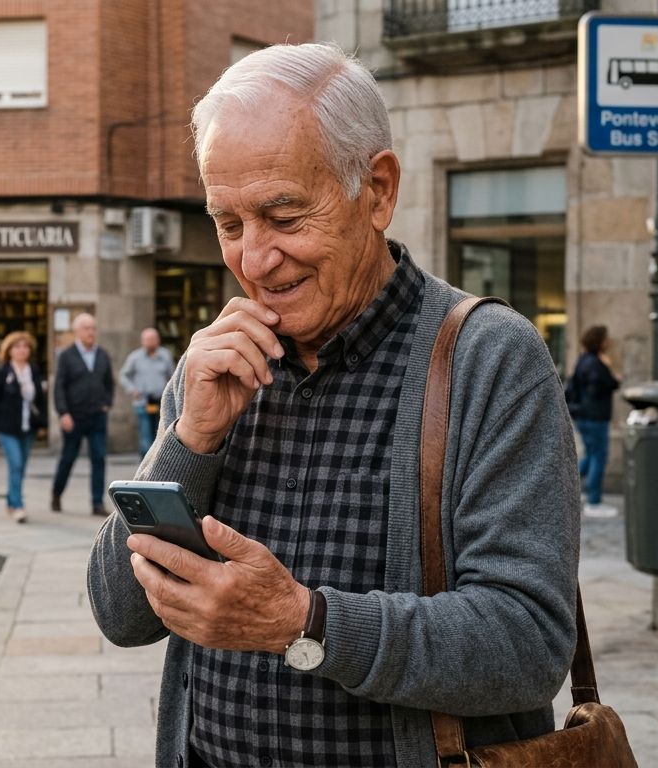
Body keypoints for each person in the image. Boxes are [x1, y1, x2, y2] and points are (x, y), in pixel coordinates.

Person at [86, 44, 581, 768]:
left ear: (377, 191)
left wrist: (302, 622)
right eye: (229, 225)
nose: (253, 261)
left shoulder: (487, 357)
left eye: (283, 215)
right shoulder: (215, 365)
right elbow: (120, 615)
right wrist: (192, 437)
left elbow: (528, 643)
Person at [51, 313, 114, 516]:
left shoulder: (102, 354)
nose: (91, 332)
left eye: (93, 328)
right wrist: (63, 413)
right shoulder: (67, 356)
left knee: (99, 458)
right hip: (74, 417)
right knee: (68, 457)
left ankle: (97, 503)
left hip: (97, 415)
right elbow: (59, 387)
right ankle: (56, 493)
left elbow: (109, 383)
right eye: (86, 328)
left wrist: (106, 404)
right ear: (77, 331)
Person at [0, 331, 47, 523]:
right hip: (6, 427)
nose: (22, 350)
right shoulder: (3, 372)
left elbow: (40, 400)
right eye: (17, 346)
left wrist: (43, 424)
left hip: (28, 427)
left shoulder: (33, 370)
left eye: (25, 346)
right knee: (16, 464)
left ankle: (11, 500)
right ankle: (18, 506)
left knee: (20, 466)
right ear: (9, 350)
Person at [569, 325, 623, 518]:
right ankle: (594, 502)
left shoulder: (584, 360)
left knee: (591, 456)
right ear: (599, 341)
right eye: (605, 338)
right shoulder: (594, 363)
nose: (608, 342)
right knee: (598, 457)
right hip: (594, 417)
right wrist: (610, 372)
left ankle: (564, 488)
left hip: (585, 416)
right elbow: (600, 385)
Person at [118, 327, 176, 458]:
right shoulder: (135, 357)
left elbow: (172, 376)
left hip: (161, 403)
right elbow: (123, 375)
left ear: (158, 340)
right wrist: (132, 390)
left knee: (161, 436)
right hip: (142, 403)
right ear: (142, 341)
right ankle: (145, 470)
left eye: (153, 339)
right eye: (147, 339)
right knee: (146, 439)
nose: (150, 342)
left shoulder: (165, 356)